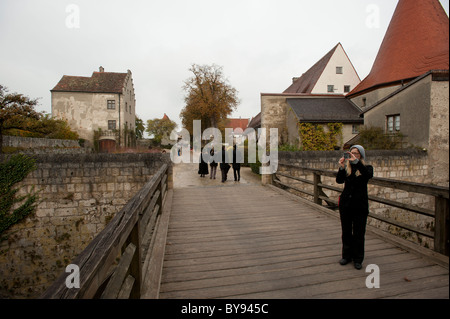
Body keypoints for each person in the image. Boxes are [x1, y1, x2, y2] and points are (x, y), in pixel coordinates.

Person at [336, 145, 373, 270]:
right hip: (346, 205)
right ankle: (346, 256)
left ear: (361, 155)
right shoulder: (348, 168)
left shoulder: (366, 168)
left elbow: (367, 175)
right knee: (346, 232)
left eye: (356, 153)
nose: (352, 155)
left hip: (360, 206)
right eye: (351, 153)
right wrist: (341, 167)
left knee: (359, 233)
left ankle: (358, 258)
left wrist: (356, 162)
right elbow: (339, 181)